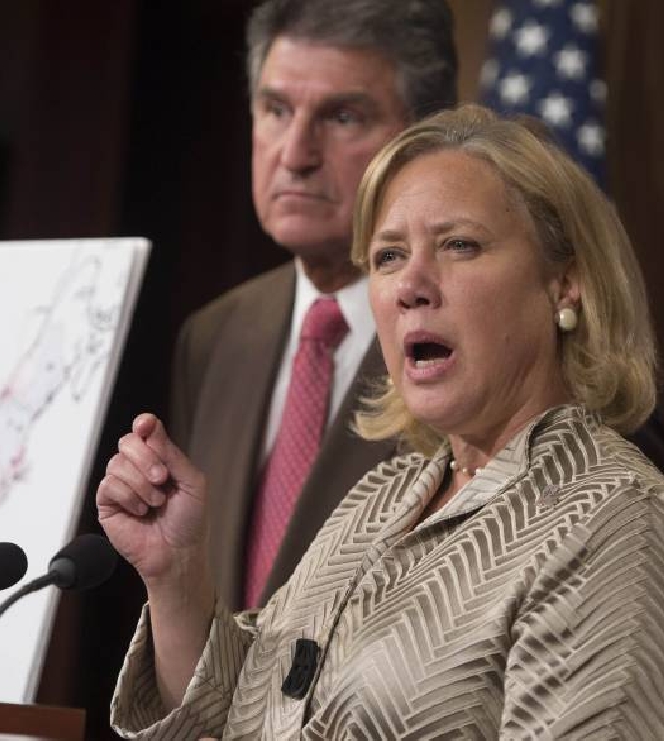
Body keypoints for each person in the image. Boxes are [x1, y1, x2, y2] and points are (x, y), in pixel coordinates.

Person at [98, 104, 664, 738]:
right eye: (389, 256)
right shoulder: (377, 501)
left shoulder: (617, 518)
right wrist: (176, 576)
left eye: (459, 245)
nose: (410, 285)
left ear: (565, 285)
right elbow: (229, 719)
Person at [171, 0, 459, 612]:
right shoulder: (215, 335)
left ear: (424, 136)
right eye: (276, 110)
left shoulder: (474, 335)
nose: (295, 154)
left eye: (343, 116)